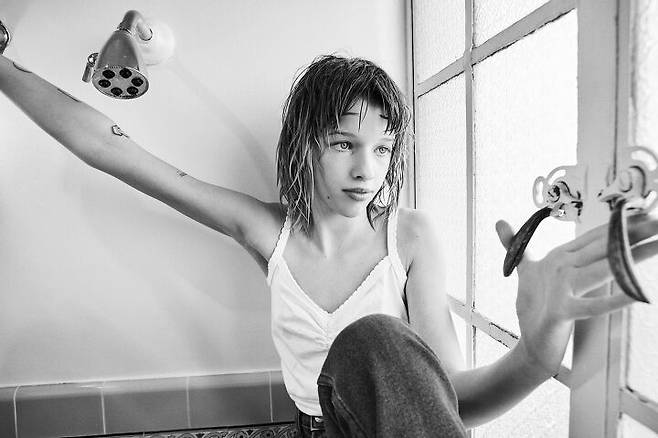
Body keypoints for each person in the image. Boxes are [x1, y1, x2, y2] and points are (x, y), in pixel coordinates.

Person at [2, 51, 657, 438]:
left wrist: (540, 349)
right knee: (372, 337)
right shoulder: (269, 233)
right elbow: (110, 149)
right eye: (344, 143)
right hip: (325, 430)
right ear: (305, 145)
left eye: (382, 148)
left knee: (381, 339)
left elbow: (449, 401)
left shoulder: (411, 235)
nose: (366, 169)